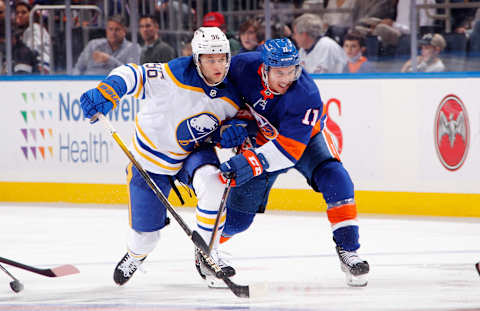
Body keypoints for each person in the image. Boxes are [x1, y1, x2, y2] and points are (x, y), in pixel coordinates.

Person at [79, 27, 247, 286]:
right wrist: (108, 91)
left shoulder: (232, 94)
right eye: (211, 59)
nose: (219, 65)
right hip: (150, 160)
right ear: (197, 58)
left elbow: (224, 127)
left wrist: (230, 132)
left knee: (214, 183)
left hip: (192, 153)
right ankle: (136, 255)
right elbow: (131, 74)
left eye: (223, 58)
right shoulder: (173, 74)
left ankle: (208, 254)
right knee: (146, 237)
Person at [198, 38, 370, 287]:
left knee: (336, 178)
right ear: (264, 68)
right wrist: (230, 123)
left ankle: (349, 251)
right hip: (259, 139)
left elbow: (289, 150)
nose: (287, 78)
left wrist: (251, 162)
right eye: (280, 72)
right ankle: (207, 249)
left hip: (303, 141)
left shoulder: (306, 93)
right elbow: (220, 96)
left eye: (292, 71)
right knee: (237, 221)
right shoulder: (242, 66)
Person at [73, 15, 140, 75]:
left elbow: (131, 73)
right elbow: (78, 68)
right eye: (110, 29)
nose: (113, 33)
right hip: (86, 83)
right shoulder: (93, 45)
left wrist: (109, 60)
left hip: (115, 85)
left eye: (117, 29)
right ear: (106, 30)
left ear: (124, 31)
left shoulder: (133, 48)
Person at [14, 0, 51, 73]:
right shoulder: (24, 30)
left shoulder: (35, 28)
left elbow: (32, 51)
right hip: (31, 64)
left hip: (41, 66)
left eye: (23, 12)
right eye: (17, 13)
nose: (20, 15)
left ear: (31, 14)